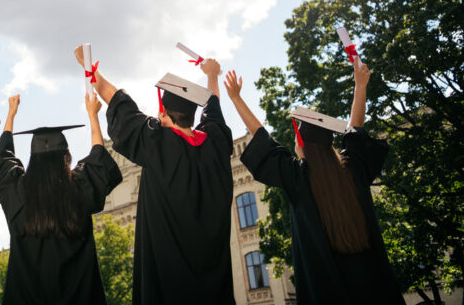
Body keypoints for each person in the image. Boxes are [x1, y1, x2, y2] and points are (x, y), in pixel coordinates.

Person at [225, 58, 405, 304]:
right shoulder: (353, 170)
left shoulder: (299, 179)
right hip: (376, 293)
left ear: (300, 143)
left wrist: (236, 98)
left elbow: (262, 138)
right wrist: (360, 86)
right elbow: (356, 131)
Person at [76, 47, 235, 304]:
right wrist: (212, 76)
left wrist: (86, 63)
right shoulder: (216, 146)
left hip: (167, 290)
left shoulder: (157, 143)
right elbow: (214, 114)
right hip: (215, 293)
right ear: (192, 117)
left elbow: (118, 102)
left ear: (163, 114)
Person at [0, 88, 122, 305]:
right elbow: (99, 158)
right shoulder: (80, 189)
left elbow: (1, 159)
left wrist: (11, 115)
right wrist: (93, 116)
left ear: (32, 158)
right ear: (67, 157)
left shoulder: (16, 192)